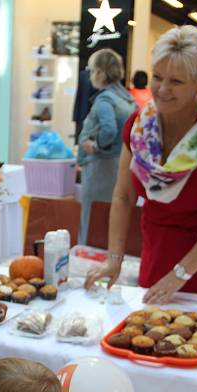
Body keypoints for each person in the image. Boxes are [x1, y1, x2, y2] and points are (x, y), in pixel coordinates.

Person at [85, 26, 197, 303]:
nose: (162, 89)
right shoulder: (139, 127)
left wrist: (180, 274)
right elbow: (123, 196)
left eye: (176, 81)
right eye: (157, 77)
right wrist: (114, 259)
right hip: (157, 253)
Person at [77, 49, 137, 245]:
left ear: (101, 73)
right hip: (119, 164)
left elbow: (109, 130)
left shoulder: (105, 99)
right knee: (110, 217)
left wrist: (96, 146)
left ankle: (85, 257)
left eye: (92, 70)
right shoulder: (127, 99)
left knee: (91, 215)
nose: (91, 75)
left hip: (100, 167)